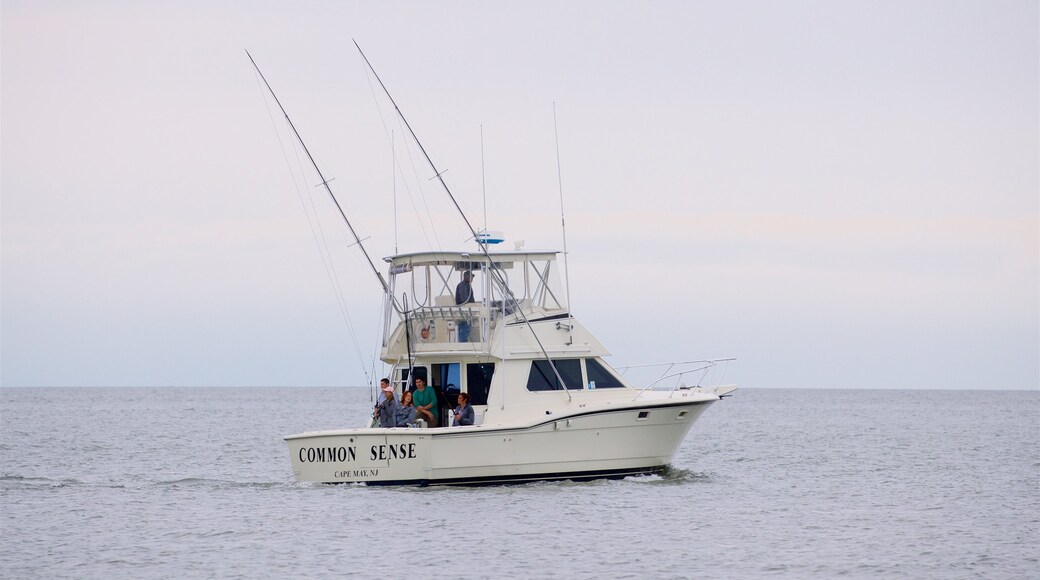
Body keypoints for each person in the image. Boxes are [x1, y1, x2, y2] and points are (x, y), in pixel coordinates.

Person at [455, 271, 476, 342]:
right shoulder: (463, 285)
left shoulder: (466, 285)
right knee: (464, 327)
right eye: (471, 277)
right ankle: (463, 344)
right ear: (466, 277)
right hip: (464, 311)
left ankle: (463, 342)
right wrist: (472, 306)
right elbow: (464, 300)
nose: (472, 278)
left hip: (465, 310)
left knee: (465, 327)